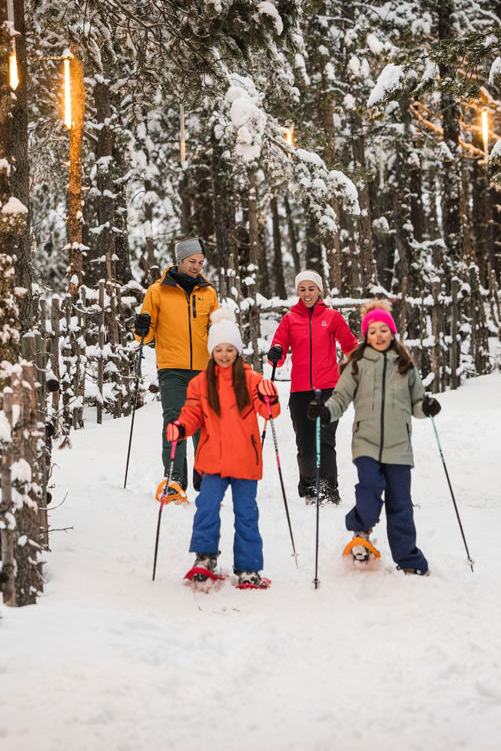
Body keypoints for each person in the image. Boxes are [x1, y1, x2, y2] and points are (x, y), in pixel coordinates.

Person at [307, 300, 440, 576]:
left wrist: (427, 409)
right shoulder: (357, 364)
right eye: (372, 332)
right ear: (365, 336)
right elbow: (340, 399)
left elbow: (416, 403)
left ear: (392, 333)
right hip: (366, 443)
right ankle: (360, 531)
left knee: (400, 504)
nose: (378, 336)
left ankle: (408, 559)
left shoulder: (405, 366)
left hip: (399, 447)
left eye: (383, 330)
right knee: (369, 489)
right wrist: (324, 411)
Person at [165, 309, 281, 589]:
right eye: (219, 349)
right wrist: (180, 427)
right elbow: (192, 414)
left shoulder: (251, 379)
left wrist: (270, 395)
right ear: (212, 351)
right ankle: (204, 558)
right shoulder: (201, 382)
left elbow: (270, 413)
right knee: (206, 507)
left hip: (244, 461)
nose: (225, 354)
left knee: (246, 513)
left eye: (230, 349)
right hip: (212, 460)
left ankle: (249, 568)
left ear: (238, 350)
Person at [134, 237, 219, 502]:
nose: (197, 266)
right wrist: (141, 329)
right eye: (192, 261)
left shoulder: (208, 292)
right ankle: (174, 480)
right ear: (179, 261)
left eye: (201, 262)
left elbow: (216, 329)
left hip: (203, 369)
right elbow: (145, 337)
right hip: (171, 367)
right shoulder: (157, 292)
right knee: (176, 420)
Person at [266, 270, 358, 504]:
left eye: (311, 289)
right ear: (297, 291)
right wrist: (275, 352)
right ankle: (308, 487)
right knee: (305, 445)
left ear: (319, 290)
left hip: (328, 388)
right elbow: (279, 350)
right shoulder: (290, 319)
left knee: (325, 439)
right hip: (300, 391)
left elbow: (350, 346)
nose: (307, 293)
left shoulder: (332, 316)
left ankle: (328, 489)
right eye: (302, 289)